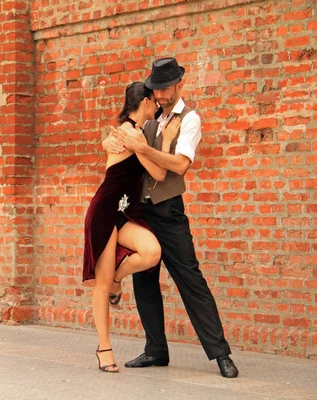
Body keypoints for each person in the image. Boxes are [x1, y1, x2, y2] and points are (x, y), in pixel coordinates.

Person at [105, 57, 239, 378]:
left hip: (168, 210)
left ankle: (220, 354)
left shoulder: (190, 120)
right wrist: (116, 141)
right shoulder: (149, 116)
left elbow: (179, 166)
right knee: (145, 280)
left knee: (191, 280)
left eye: (164, 88)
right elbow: (119, 140)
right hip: (141, 210)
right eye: (156, 90)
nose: (160, 95)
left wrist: (143, 147)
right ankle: (156, 350)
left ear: (178, 84)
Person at [83, 82, 181, 373]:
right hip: (104, 211)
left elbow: (155, 171)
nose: (157, 105)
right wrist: (164, 142)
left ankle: (117, 279)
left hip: (123, 212)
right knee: (100, 285)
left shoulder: (134, 133)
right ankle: (104, 348)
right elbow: (159, 173)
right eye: (155, 101)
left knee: (151, 252)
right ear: (147, 102)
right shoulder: (127, 133)